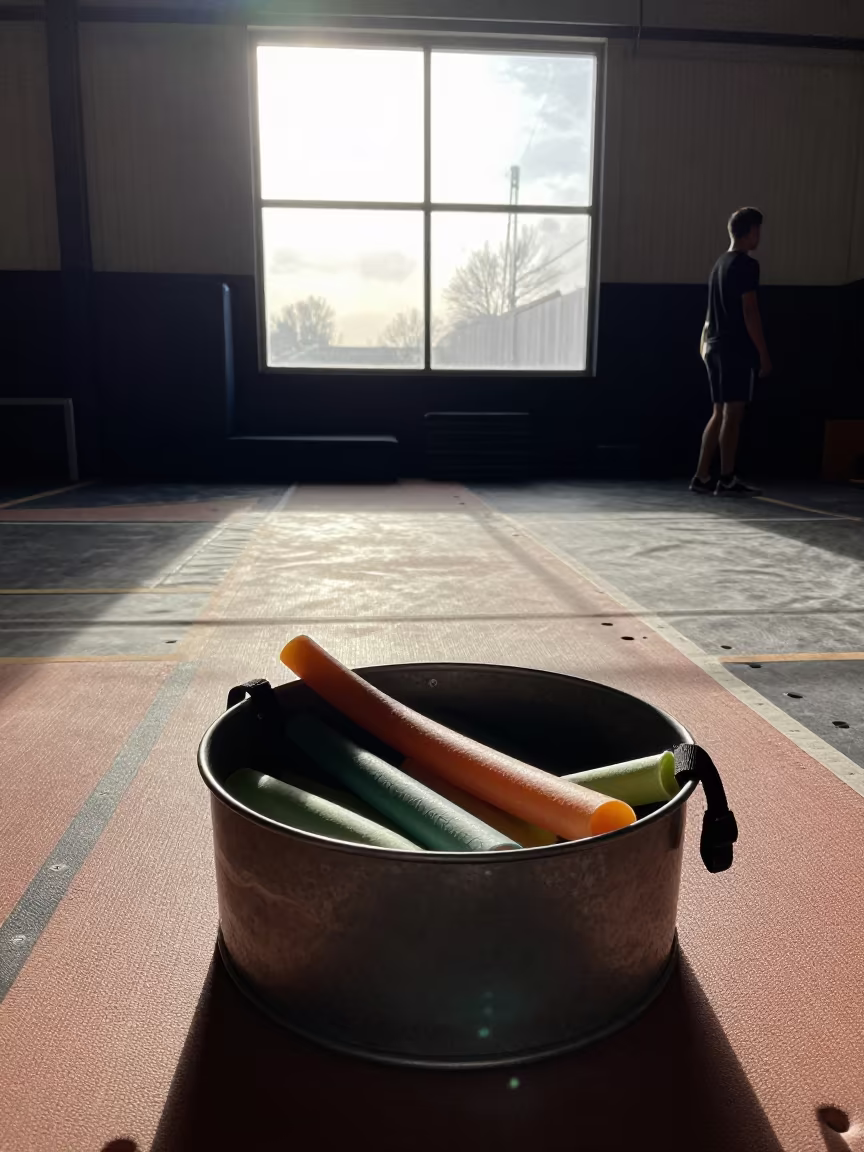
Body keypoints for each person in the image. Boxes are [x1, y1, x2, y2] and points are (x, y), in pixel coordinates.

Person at [690, 206, 772, 497]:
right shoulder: (747, 265)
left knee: (719, 412)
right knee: (733, 414)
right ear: (751, 232)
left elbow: (709, 315)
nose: (759, 236)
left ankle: (702, 476)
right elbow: (750, 311)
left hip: (713, 346)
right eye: (758, 230)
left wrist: (704, 347)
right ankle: (726, 478)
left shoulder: (718, 265)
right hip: (734, 349)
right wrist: (763, 352)